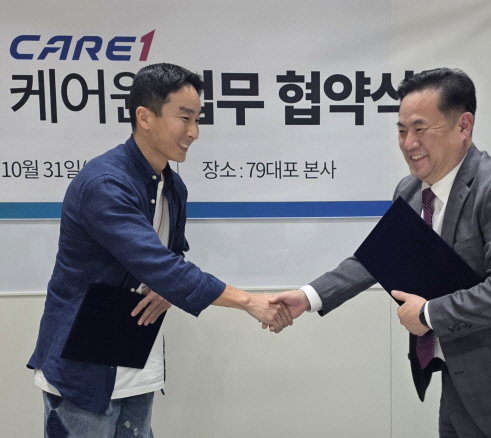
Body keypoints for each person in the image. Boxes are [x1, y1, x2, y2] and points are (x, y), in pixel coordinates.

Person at [271, 68, 491, 437]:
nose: (409, 143)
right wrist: (309, 296)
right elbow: (379, 256)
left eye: (420, 129)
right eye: (401, 131)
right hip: (459, 380)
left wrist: (428, 314)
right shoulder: (410, 190)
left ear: (463, 126)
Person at [26, 62, 292, 438]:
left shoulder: (171, 186)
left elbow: (171, 258)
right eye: (184, 118)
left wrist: (167, 290)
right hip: (83, 369)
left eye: (197, 119)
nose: (193, 132)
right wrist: (248, 301)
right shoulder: (105, 184)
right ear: (144, 117)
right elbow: (159, 266)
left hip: (136, 359)